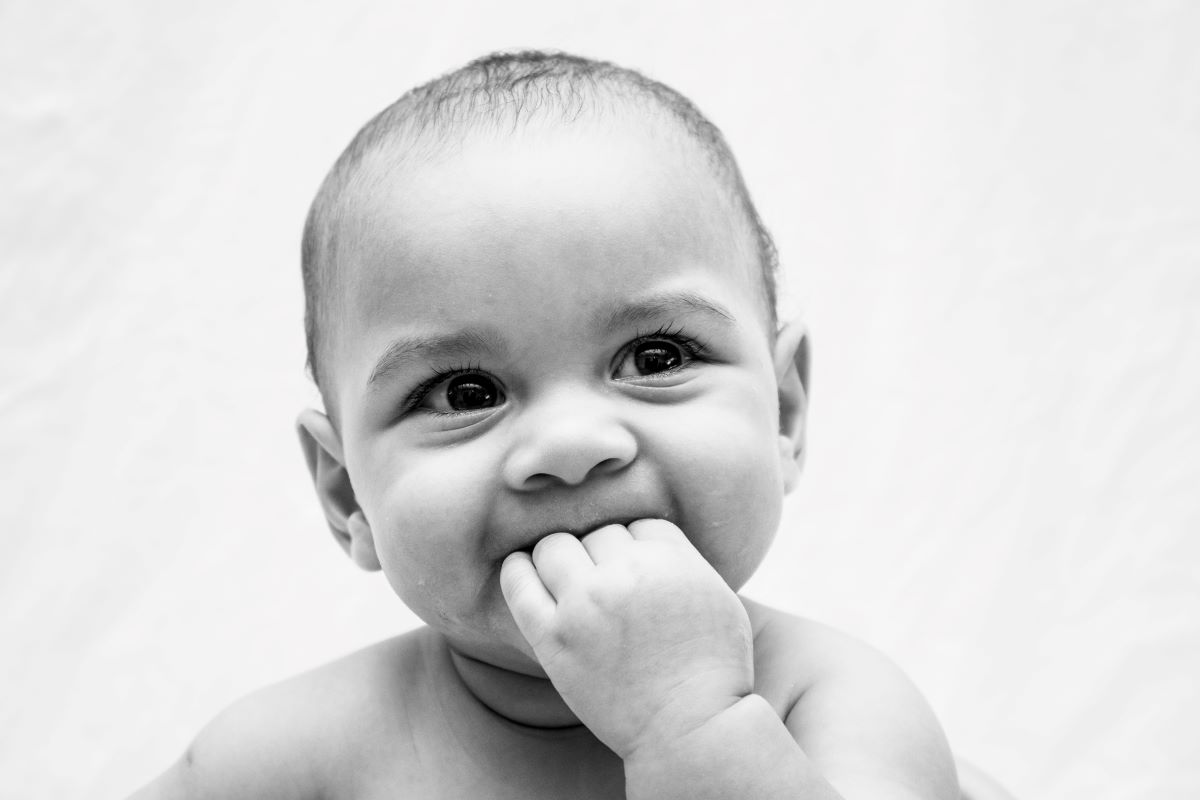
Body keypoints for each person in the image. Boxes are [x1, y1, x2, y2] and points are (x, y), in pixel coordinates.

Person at [132, 50, 960, 799]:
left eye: (657, 357)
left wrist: (690, 725)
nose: (570, 446)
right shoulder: (290, 759)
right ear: (348, 493)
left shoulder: (834, 708)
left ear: (783, 411)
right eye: (465, 392)